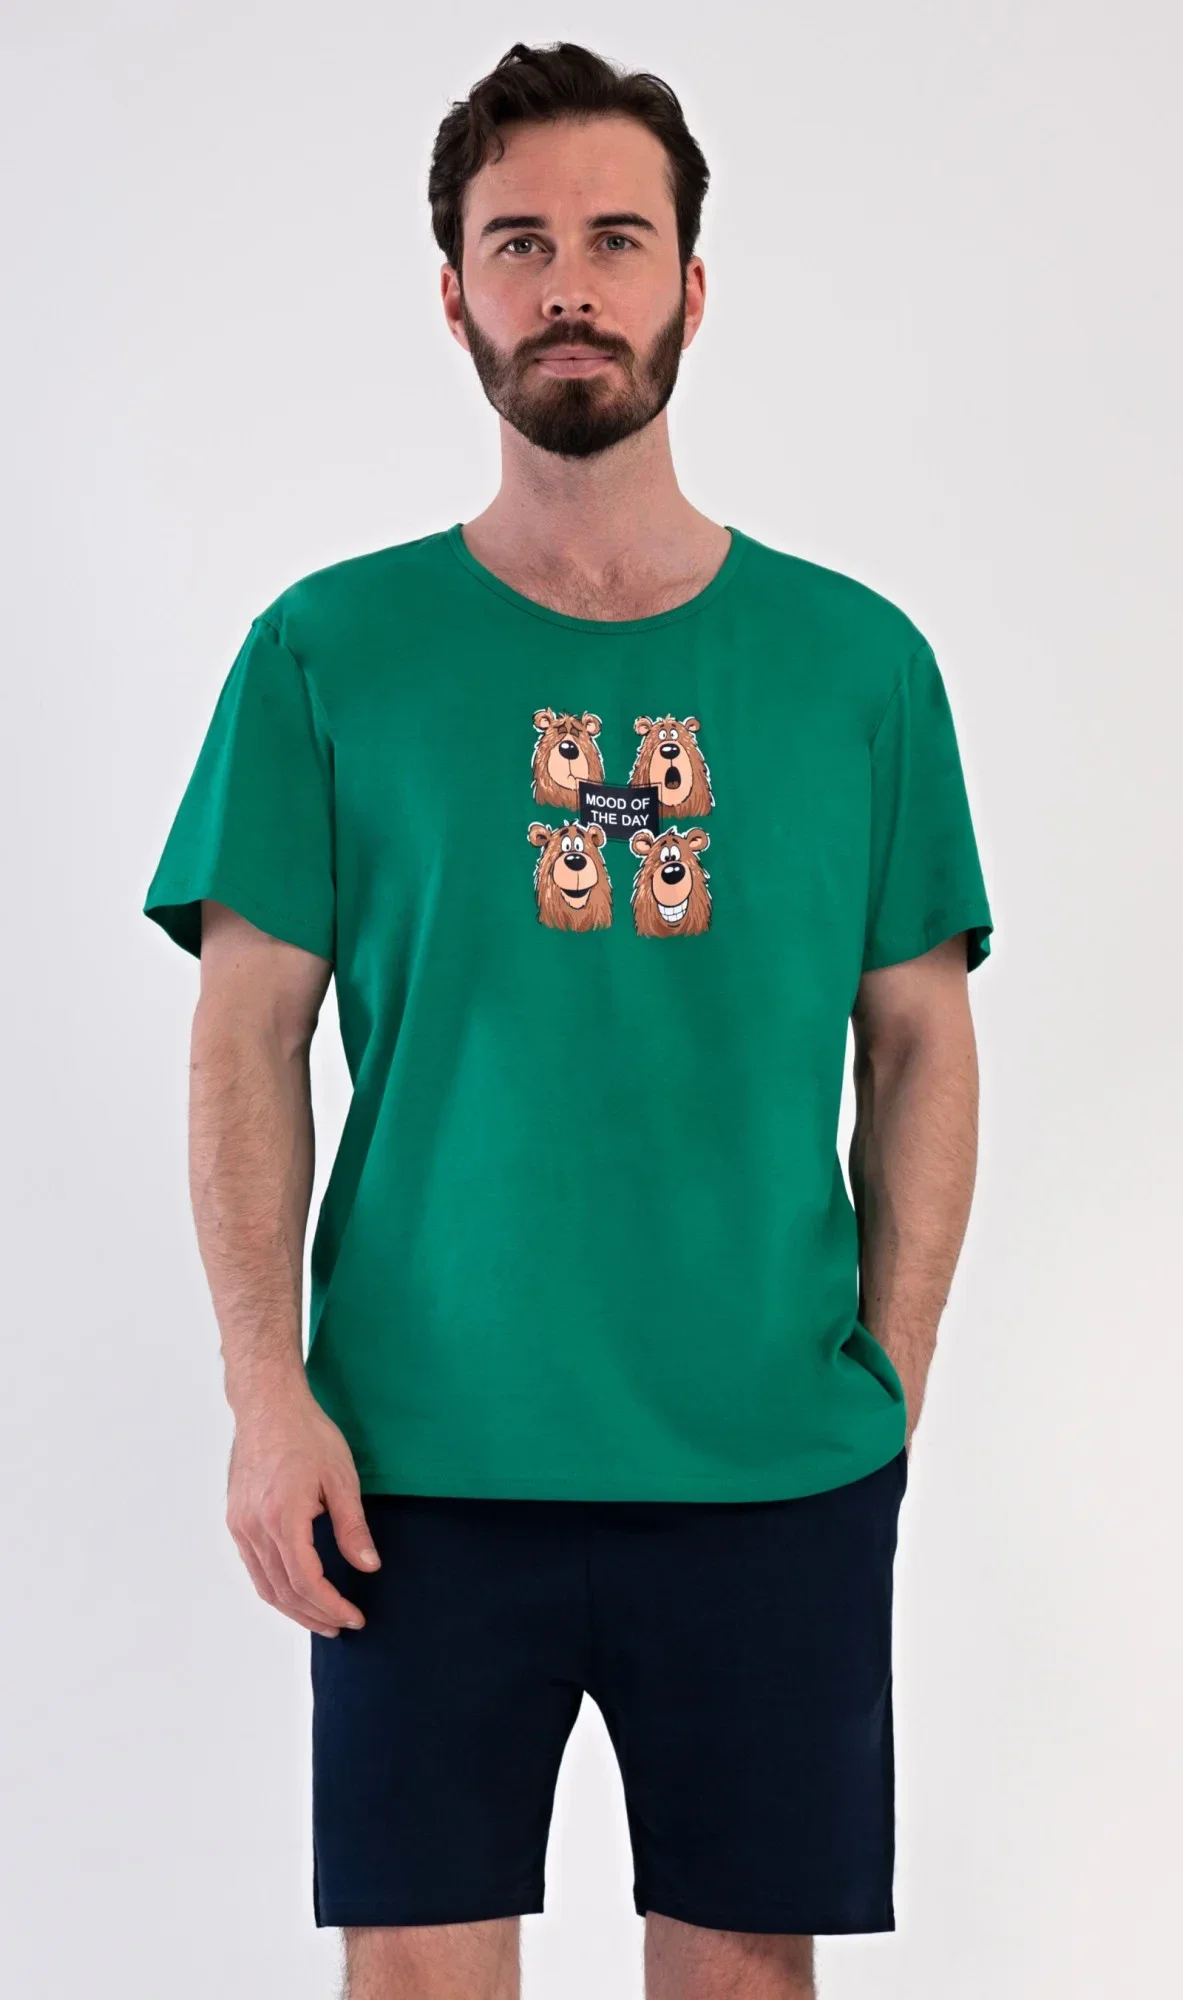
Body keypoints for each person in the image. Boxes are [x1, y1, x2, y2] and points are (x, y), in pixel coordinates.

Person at [143, 39, 992, 2000]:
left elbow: (921, 1039)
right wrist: (267, 1394)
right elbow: (243, 1037)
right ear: (454, 292)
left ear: (692, 283)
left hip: (769, 1456)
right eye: (519, 243)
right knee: (418, 1976)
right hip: (412, 1462)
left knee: (743, 1974)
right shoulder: (327, 652)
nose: (570, 285)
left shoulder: (858, 665)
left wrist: (890, 1376)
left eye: (616, 239)